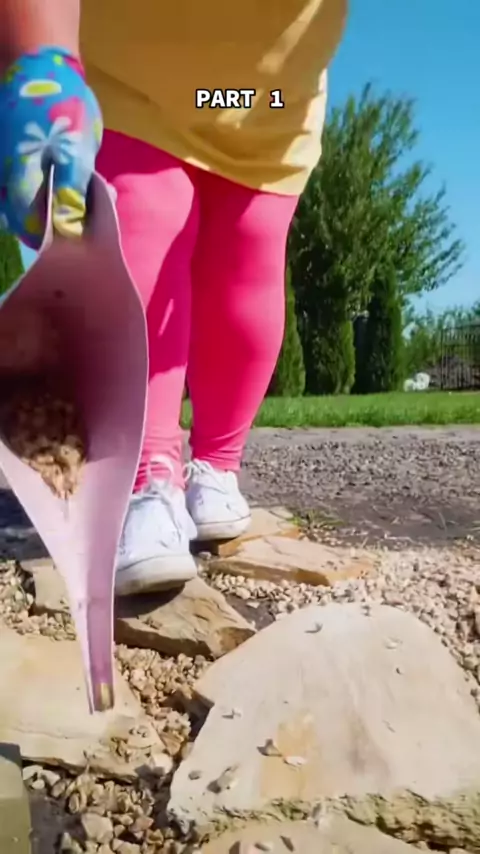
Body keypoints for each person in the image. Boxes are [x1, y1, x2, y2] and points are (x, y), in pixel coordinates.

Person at [0, 0, 347, 596]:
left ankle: (202, 469)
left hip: (254, 100)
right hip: (183, 86)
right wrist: (40, 59)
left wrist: (39, 59)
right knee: (170, 227)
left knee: (239, 250)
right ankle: (156, 474)